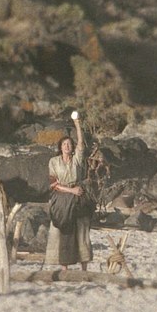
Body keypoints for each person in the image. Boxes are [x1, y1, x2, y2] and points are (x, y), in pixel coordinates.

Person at [45, 112, 93, 271]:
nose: (67, 146)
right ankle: (64, 267)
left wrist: (77, 123)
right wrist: (71, 190)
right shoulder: (54, 161)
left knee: (81, 230)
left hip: (78, 195)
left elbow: (81, 143)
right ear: (60, 147)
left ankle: (84, 268)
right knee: (62, 231)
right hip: (62, 198)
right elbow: (53, 184)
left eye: (69, 144)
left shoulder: (76, 160)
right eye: (64, 144)